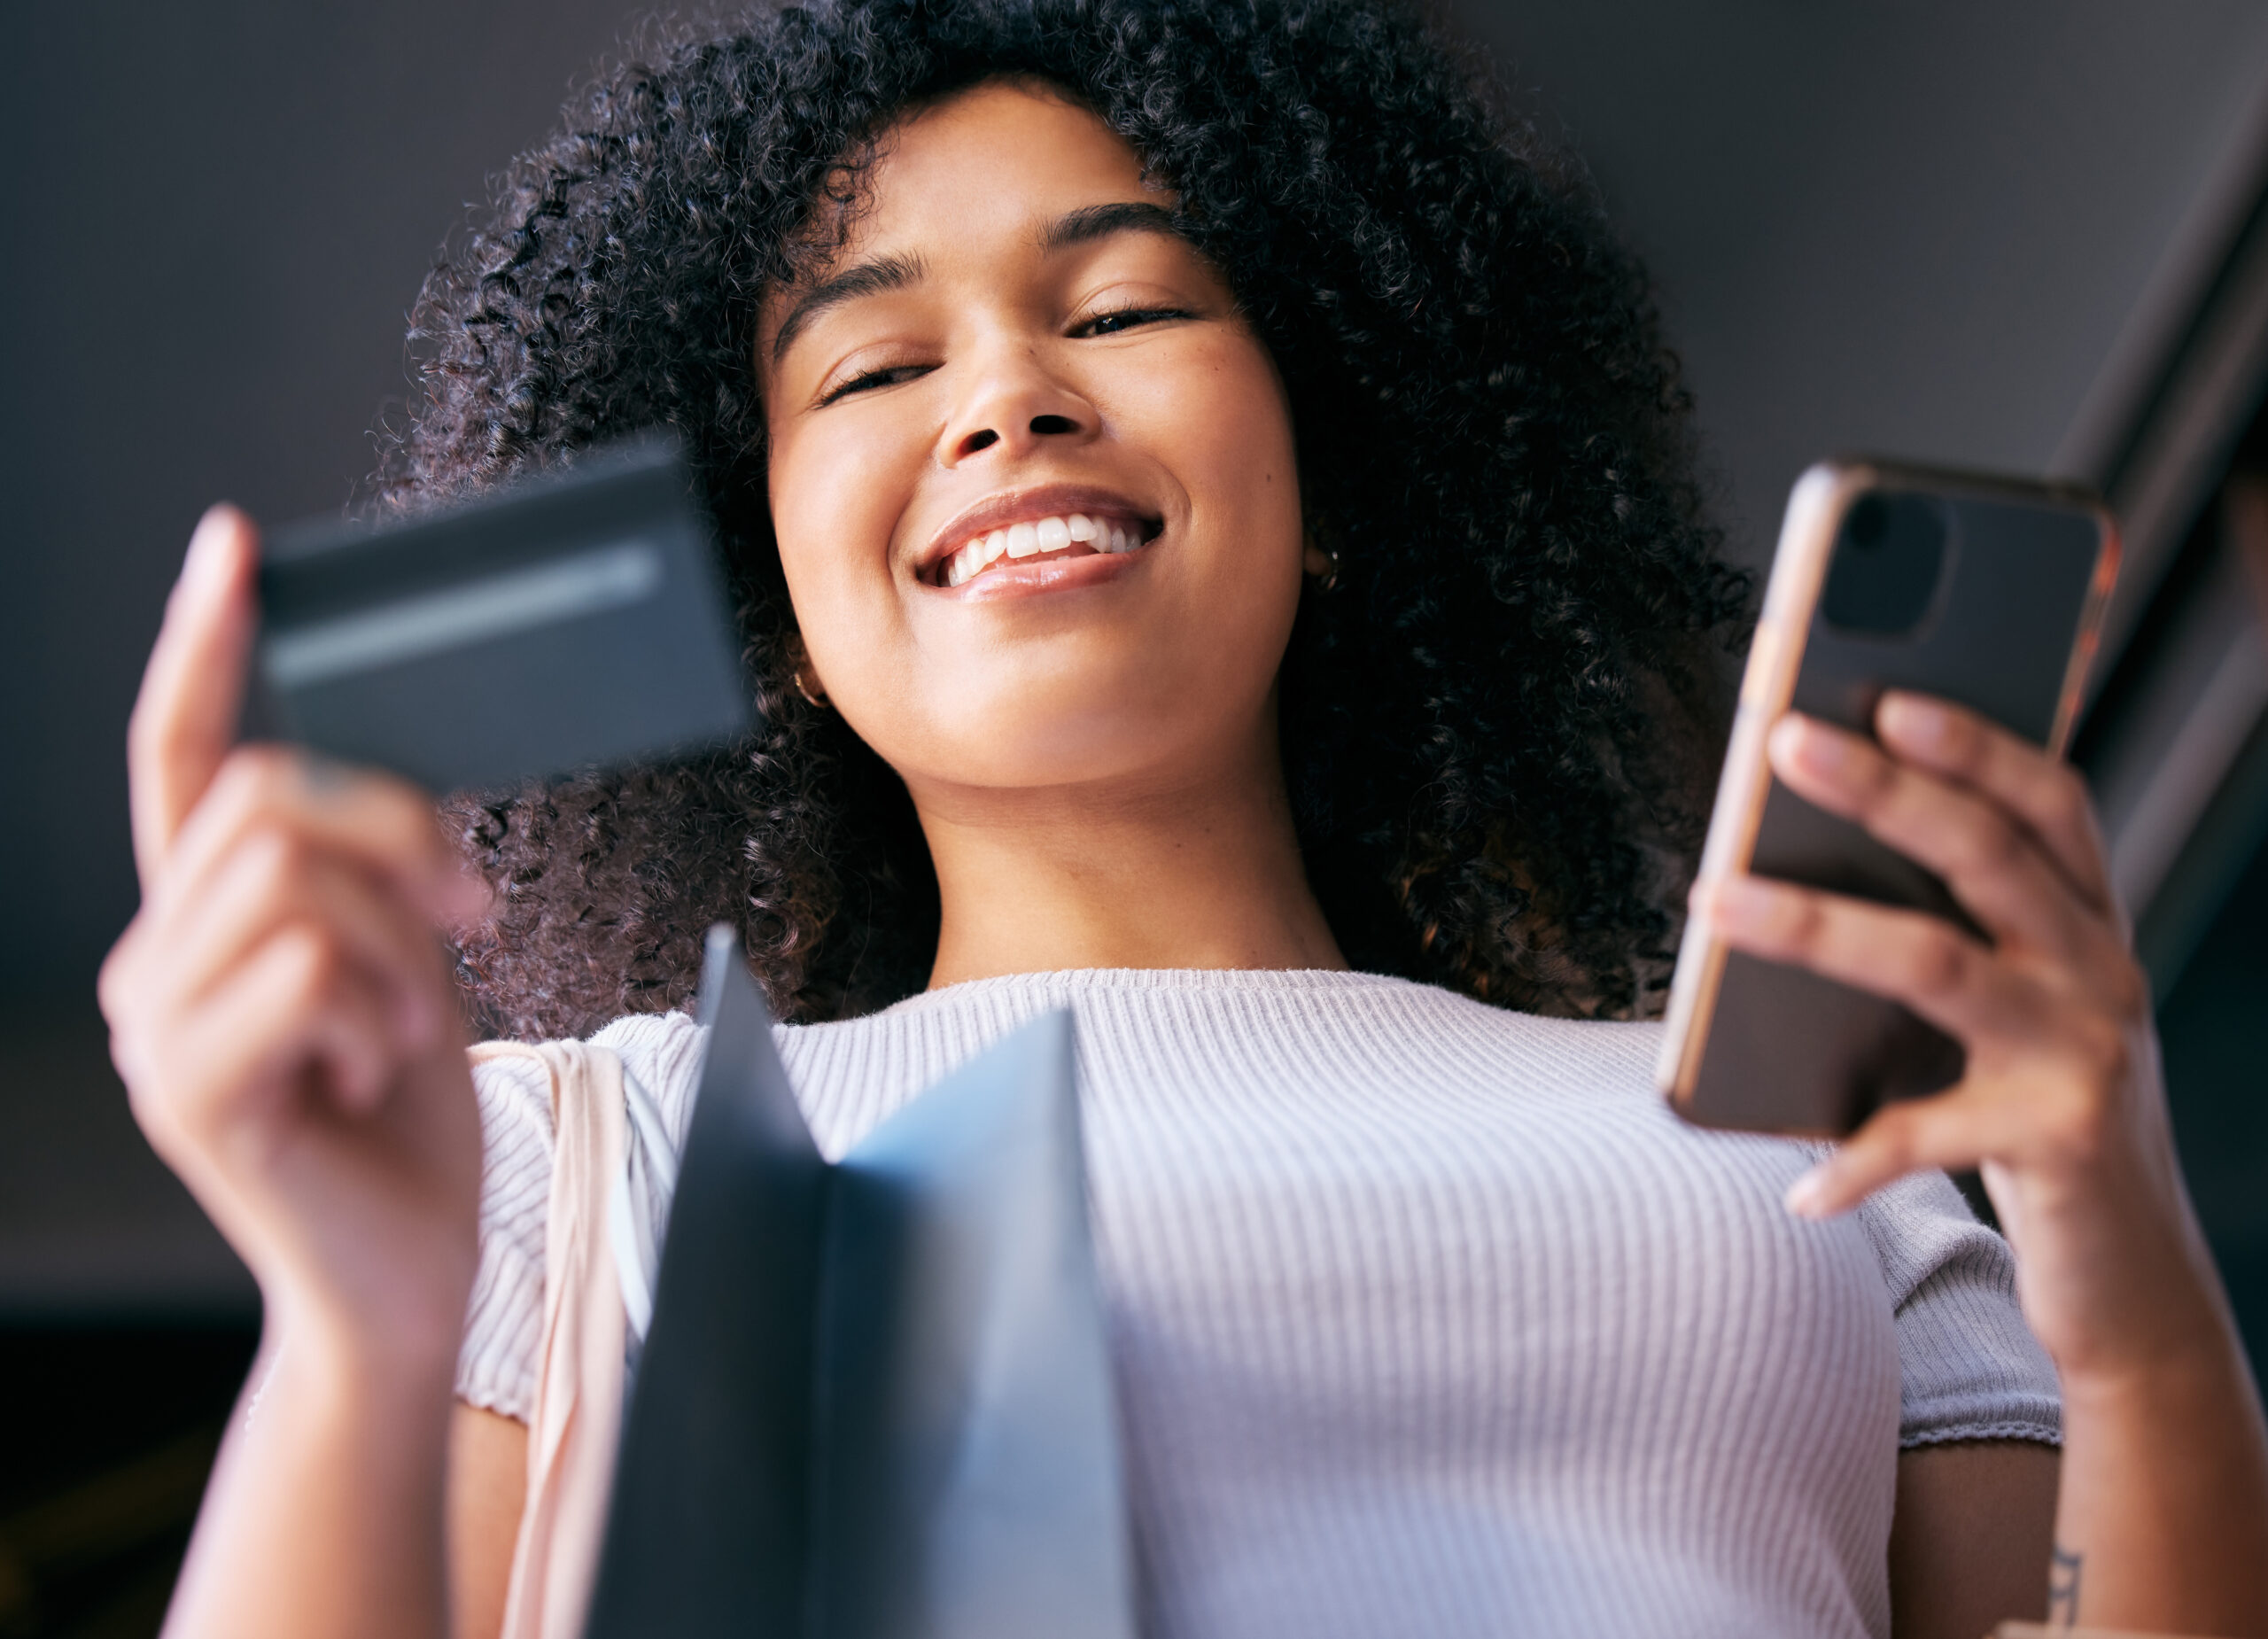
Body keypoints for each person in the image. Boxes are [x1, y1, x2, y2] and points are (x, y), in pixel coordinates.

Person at [98, 0, 2268, 1635]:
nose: (1009, 394)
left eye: (1121, 306)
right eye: (870, 370)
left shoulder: (1801, 1147)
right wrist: (355, 1319)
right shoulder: (573, 1153)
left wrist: (2131, 1282)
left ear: (1321, 487)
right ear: (772, 613)